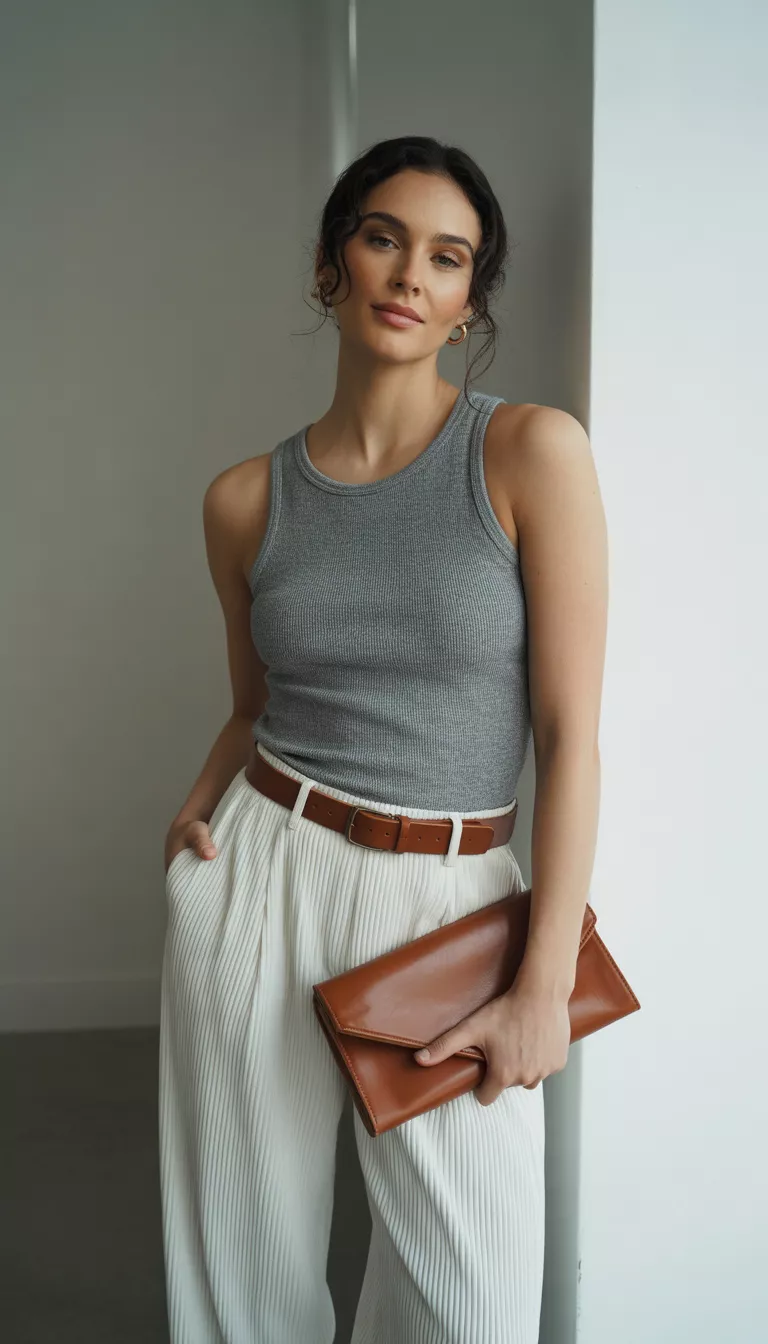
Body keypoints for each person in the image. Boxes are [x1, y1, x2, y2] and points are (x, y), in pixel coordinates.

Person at [158, 135, 608, 1344]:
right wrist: (197, 815)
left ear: (468, 303)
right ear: (332, 264)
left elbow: (570, 737)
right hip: (260, 873)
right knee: (242, 1282)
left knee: (475, 1308)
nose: (411, 273)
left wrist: (544, 987)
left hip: (448, 907)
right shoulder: (246, 500)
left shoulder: (527, 454)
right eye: (383, 238)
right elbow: (255, 705)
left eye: (448, 256)